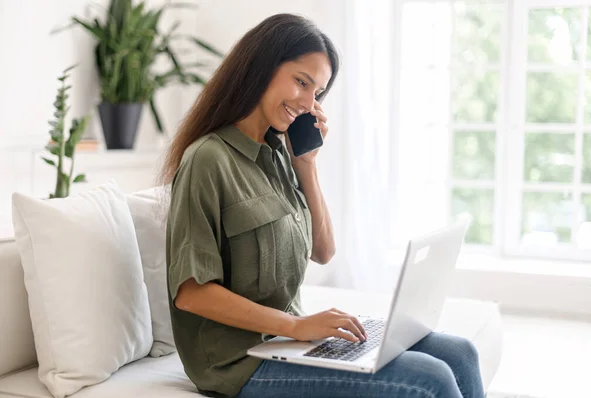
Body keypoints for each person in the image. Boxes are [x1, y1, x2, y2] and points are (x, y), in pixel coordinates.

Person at [158, 13, 485, 398]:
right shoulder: (208, 159)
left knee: (459, 353)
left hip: (285, 341)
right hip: (237, 361)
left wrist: (306, 164)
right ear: (262, 67)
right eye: (302, 82)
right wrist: (296, 327)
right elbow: (191, 293)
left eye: (318, 92)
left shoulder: (279, 151)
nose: (308, 102)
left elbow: (324, 251)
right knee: (430, 378)